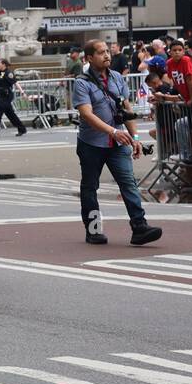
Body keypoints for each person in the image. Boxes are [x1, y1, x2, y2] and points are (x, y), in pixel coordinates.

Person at [72, 40, 162, 246]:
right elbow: (86, 114)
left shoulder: (117, 78)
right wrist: (112, 132)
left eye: (107, 52)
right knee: (90, 187)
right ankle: (93, 230)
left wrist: (135, 137)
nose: (106, 55)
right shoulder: (82, 82)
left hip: (117, 144)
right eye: (101, 52)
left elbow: (126, 109)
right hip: (92, 144)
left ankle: (139, 227)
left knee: (128, 183)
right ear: (89, 58)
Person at [0, 58, 28, 137]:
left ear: (3, 64)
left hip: (7, 95)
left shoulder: (8, 73)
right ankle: (22, 128)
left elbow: (15, 83)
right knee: (10, 114)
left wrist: (22, 92)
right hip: (0, 95)